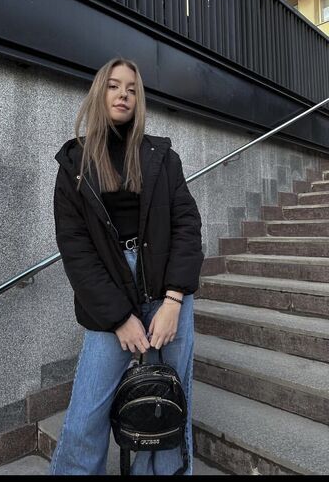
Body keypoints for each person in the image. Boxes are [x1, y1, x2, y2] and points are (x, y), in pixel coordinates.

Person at [49, 57, 204, 475]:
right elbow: (75, 249)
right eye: (114, 86)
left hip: (166, 286)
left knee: (170, 404)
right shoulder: (74, 164)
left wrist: (174, 300)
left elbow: (187, 225)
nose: (123, 95)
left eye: (132, 89)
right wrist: (119, 317)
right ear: (99, 92)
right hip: (110, 289)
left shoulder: (161, 156)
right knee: (87, 412)